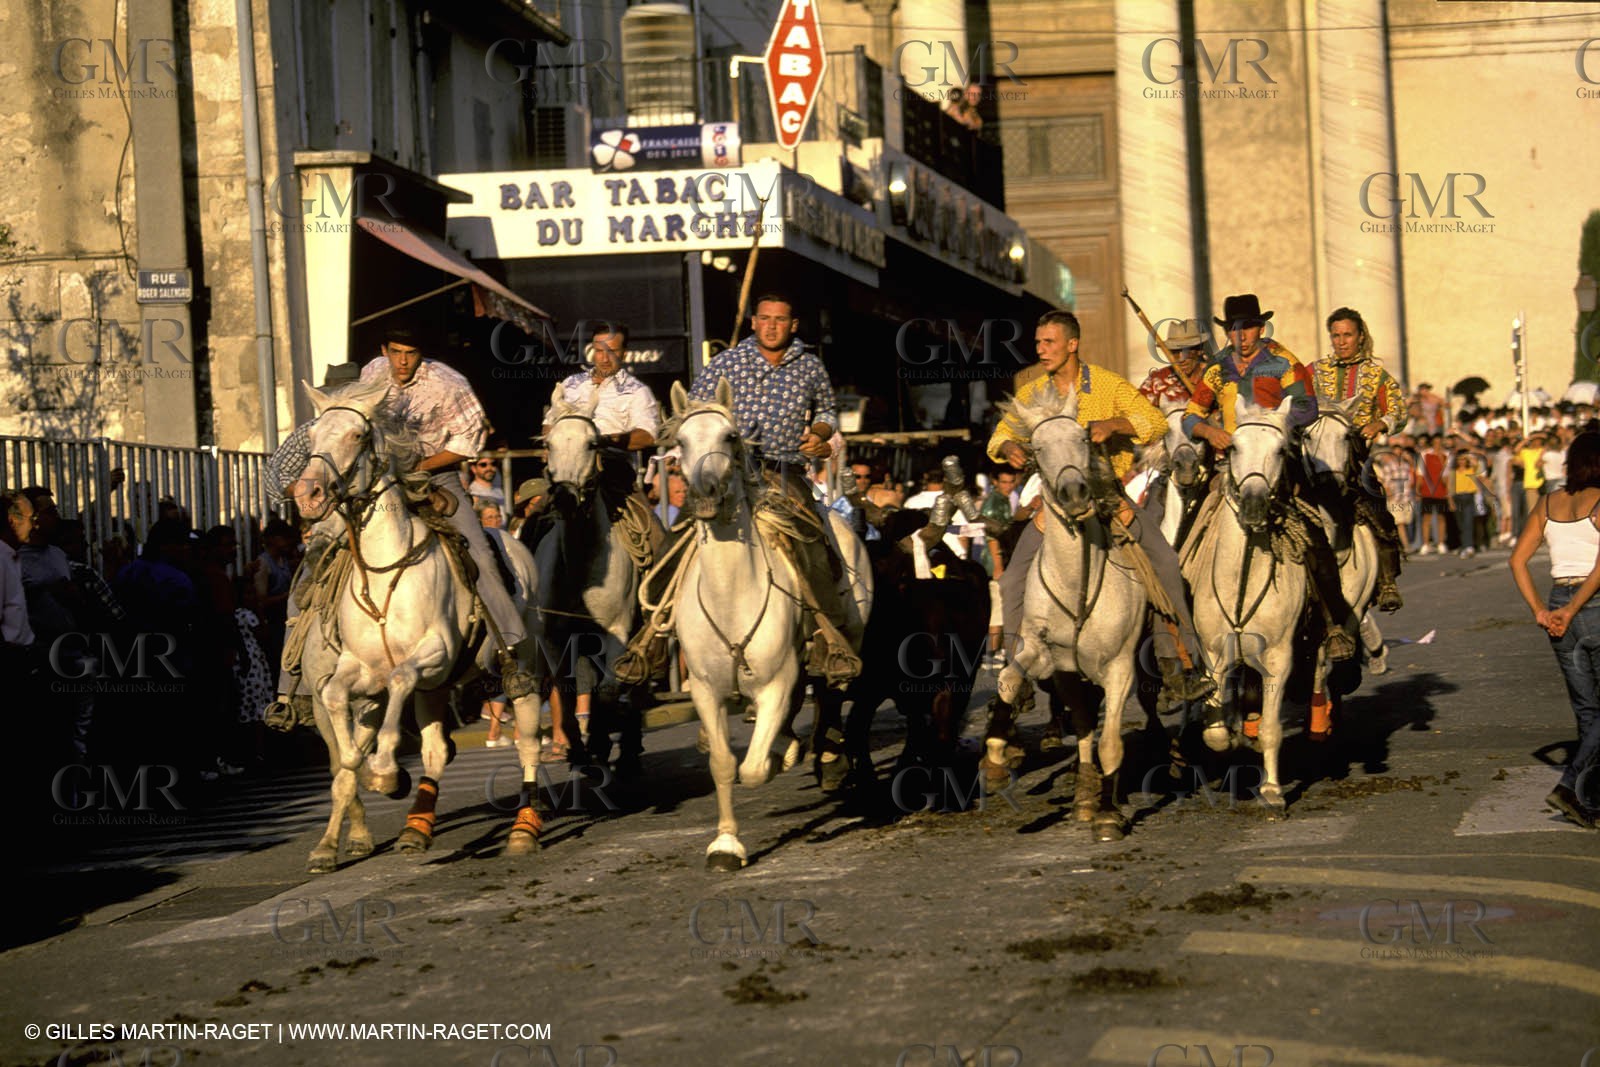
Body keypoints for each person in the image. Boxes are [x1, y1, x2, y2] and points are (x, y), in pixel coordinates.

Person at [615, 292, 861, 687]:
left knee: (812, 539)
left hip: (783, 471)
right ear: (753, 322)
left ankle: (826, 637)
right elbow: (693, 410)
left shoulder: (810, 366)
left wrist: (818, 434)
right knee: (674, 544)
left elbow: (828, 411)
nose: (772, 326)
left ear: (793, 325)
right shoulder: (727, 361)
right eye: (764, 318)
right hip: (727, 471)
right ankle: (652, 637)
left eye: (780, 319)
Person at [991, 309, 1214, 703]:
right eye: (1038, 342)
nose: (1040, 350)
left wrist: (1113, 425)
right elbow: (1002, 434)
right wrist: (1008, 446)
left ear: (1072, 345)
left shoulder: (1109, 385)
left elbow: (1154, 422)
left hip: (1109, 499)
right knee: (1010, 580)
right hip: (1054, 505)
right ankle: (1018, 671)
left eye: (1049, 342)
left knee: (1165, 564)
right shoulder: (1032, 393)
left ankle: (1183, 663)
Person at [1182, 293, 1360, 660]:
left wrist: (1275, 425)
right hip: (1228, 469)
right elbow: (1190, 415)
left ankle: (1334, 624)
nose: (1241, 334)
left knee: (1314, 538)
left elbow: (1308, 406)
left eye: (1247, 327)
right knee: (1184, 540)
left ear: (1260, 328)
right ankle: (1184, 633)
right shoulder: (1216, 369)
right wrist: (1208, 432)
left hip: (1278, 466)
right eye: (1233, 328)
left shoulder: (1283, 362)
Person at [357, 324, 529, 681]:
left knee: (478, 551)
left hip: (436, 475)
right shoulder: (372, 372)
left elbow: (470, 441)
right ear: (384, 350)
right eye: (396, 352)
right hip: (380, 478)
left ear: (422, 355)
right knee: (333, 545)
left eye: (411, 354)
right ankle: (302, 661)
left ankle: (509, 646)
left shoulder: (450, 383)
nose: (403, 362)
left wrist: (419, 466)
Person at [1510, 431, 1600, 829]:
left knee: (1587, 709)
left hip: (1558, 601)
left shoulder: (1549, 502)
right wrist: (1575, 607)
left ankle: (1587, 794)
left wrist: (1543, 610)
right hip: (1593, 603)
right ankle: (1569, 786)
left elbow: (1518, 560)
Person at [1309, 306, 1407, 610]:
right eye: (1335, 335)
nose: (1341, 341)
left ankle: (1387, 581)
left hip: (1354, 454)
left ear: (1360, 335)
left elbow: (1398, 410)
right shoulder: (1313, 371)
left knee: (1378, 512)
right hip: (1316, 454)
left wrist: (1380, 423)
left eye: (1347, 335)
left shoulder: (1376, 375)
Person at [544, 322, 662, 519]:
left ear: (624, 353)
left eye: (612, 351)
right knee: (537, 517)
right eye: (599, 351)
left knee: (650, 528)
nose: (605, 359)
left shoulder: (637, 391)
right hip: (565, 468)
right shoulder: (570, 384)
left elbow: (647, 436)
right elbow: (549, 424)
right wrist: (553, 444)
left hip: (613, 470)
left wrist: (603, 441)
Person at [1415, 435, 1450, 555]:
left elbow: (1447, 474)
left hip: (1441, 490)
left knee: (1441, 517)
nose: (1437, 445)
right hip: (1427, 490)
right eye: (1435, 442)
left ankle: (1440, 542)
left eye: (1439, 443)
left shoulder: (1446, 455)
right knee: (1426, 518)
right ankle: (1425, 544)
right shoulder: (1425, 455)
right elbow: (1420, 473)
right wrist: (1418, 489)